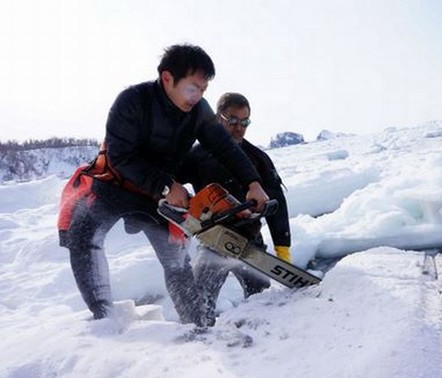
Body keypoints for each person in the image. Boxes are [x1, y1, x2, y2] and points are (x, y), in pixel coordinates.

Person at [58, 44, 269, 323]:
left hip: (157, 199)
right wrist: (167, 186)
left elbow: (225, 148)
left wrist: (252, 181)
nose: (198, 97)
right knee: (82, 235)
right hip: (115, 186)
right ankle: (105, 321)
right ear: (167, 78)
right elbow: (121, 157)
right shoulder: (132, 101)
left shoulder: (198, 111)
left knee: (177, 263)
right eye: (193, 88)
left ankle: (197, 326)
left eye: (204, 90)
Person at [176, 92, 291, 327]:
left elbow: (277, 201)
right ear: (218, 118)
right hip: (213, 241)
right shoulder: (197, 155)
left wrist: (283, 248)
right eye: (233, 121)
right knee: (199, 305)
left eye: (245, 122)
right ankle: (199, 349)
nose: (239, 127)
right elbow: (170, 180)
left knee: (262, 302)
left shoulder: (257, 158)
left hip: (250, 243)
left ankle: (263, 346)